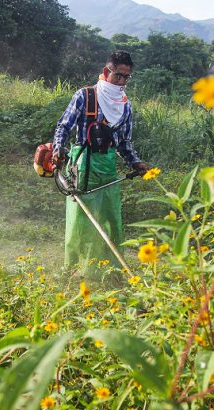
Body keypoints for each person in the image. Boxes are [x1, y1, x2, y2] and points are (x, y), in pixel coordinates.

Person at [52, 50, 148, 275]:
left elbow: (124, 142)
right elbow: (63, 127)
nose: (121, 81)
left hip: (107, 164)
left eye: (126, 77)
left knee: (109, 216)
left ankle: (111, 269)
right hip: (83, 164)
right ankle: (76, 268)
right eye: (118, 75)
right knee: (83, 218)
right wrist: (58, 150)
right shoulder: (85, 96)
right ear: (106, 71)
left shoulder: (125, 105)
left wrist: (136, 163)